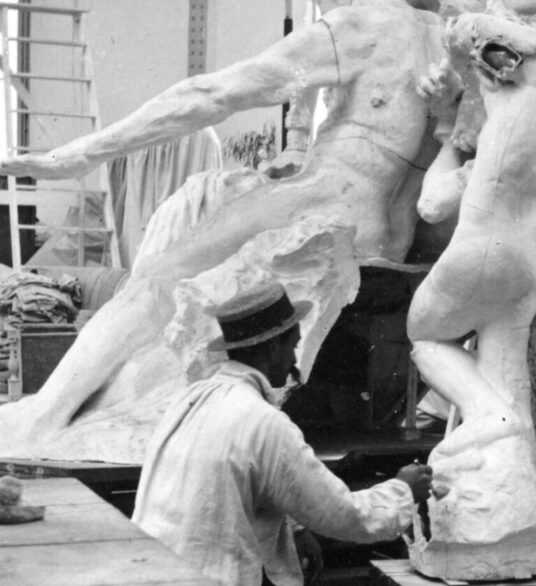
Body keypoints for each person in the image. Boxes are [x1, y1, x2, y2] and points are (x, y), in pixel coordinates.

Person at [0, 0, 452, 444]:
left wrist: (77, 156)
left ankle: (46, 414)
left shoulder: (365, 25)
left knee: (159, 277)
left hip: (330, 205)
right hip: (392, 236)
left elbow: (212, 95)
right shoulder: (452, 40)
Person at [132, 283, 433, 586]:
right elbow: (343, 515)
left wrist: (296, 530)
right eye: (293, 346)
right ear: (274, 346)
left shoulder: (191, 398)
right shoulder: (263, 421)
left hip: (152, 569)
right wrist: (402, 490)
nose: (293, 361)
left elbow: (251, 476)